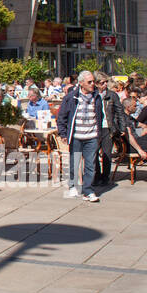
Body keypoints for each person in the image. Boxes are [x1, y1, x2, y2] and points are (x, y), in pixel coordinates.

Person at [55, 70, 103, 201]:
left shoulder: (97, 97)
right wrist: (63, 133)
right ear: (81, 83)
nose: (93, 84)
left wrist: (99, 134)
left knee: (90, 165)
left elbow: (100, 115)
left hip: (92, 136)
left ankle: (88, 190)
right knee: (74, 163)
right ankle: (73, 186)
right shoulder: (71, 97)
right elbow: (62, 116)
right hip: (76, 136)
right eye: (89, 82)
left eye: (93, 81)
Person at [92, 72, 124, 188]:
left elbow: (119, 111)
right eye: (102, 83)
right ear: (96, 84)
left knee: (106, 153)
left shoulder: (112, 95)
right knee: (93, 153)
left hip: (107, 127)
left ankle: (105, 177)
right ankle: (96, 176)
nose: (105, 84)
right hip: (95, 127)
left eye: (106, 82)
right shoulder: (92, 95)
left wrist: (122, 127)